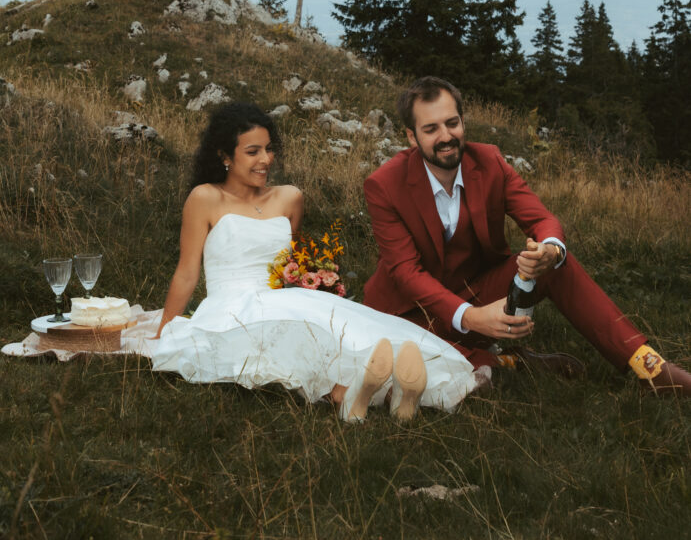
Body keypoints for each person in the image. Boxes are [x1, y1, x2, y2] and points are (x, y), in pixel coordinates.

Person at [153, 102, 485, 421]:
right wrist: (165, 330)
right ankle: (345, 394)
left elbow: (289, 262)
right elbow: (187, 273)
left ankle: (393, 391)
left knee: (335, 332)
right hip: (230, 307)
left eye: (269, 149)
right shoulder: (205, 198)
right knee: (285, 338)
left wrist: (306, 284)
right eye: (252, 152)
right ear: (225, 156)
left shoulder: (289, 197)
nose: (265, 160)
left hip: (283, 298)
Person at [363, 76, 691, 396]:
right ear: (411, 136)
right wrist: (472, 317)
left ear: (463, 122)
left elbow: (541, 219)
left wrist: (550, 249)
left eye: (452, 123)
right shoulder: (384, 185)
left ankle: (650, 368)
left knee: (557, 263)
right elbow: (407, 274)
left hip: (475, 292)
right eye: (431, 129)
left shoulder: (489, 161)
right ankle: (507, 362)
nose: (446, 136)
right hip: (409, 314)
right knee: (407, 353)